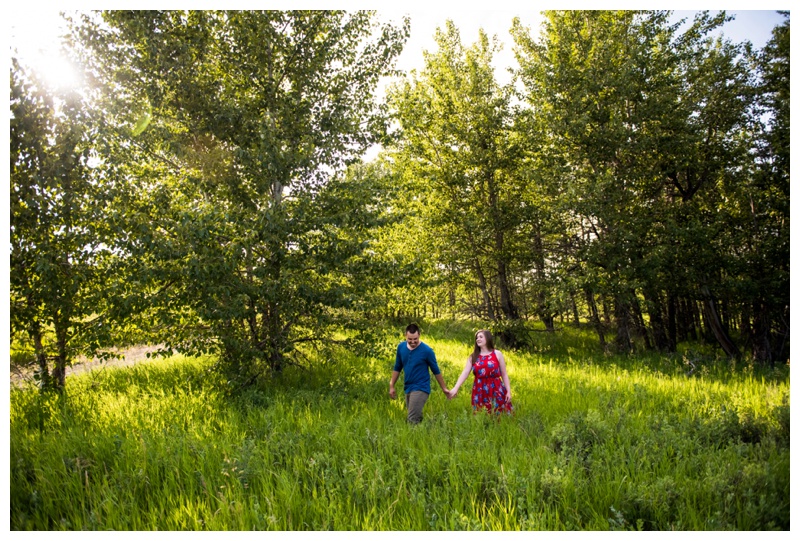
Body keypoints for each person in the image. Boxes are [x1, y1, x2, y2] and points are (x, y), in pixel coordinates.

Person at [389, 323, 450, 424]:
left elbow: (436, 371)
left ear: (419, 335)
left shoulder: (427, 351)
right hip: (408, 386)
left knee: (412, 419)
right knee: (415, 416)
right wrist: (391, 385)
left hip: (421, 387)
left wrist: (444, 388)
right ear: (405, 336)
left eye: (415, 339)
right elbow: (397, 367)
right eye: (410, 339)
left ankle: (411, 438)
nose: (413, 342)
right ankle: (426, 432)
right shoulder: (401, 347)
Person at [447, 329, 513, 414]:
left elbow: (504, 374)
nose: (478, 339)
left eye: (481, 337)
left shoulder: (497, 354)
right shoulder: (473, 356)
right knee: (481, 416)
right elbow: (465, 373)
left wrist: (508, 391)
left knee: (499, 415)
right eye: (477, 337)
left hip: (496, 389)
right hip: (479, 390)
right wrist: (456, 388)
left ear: (488, 338)